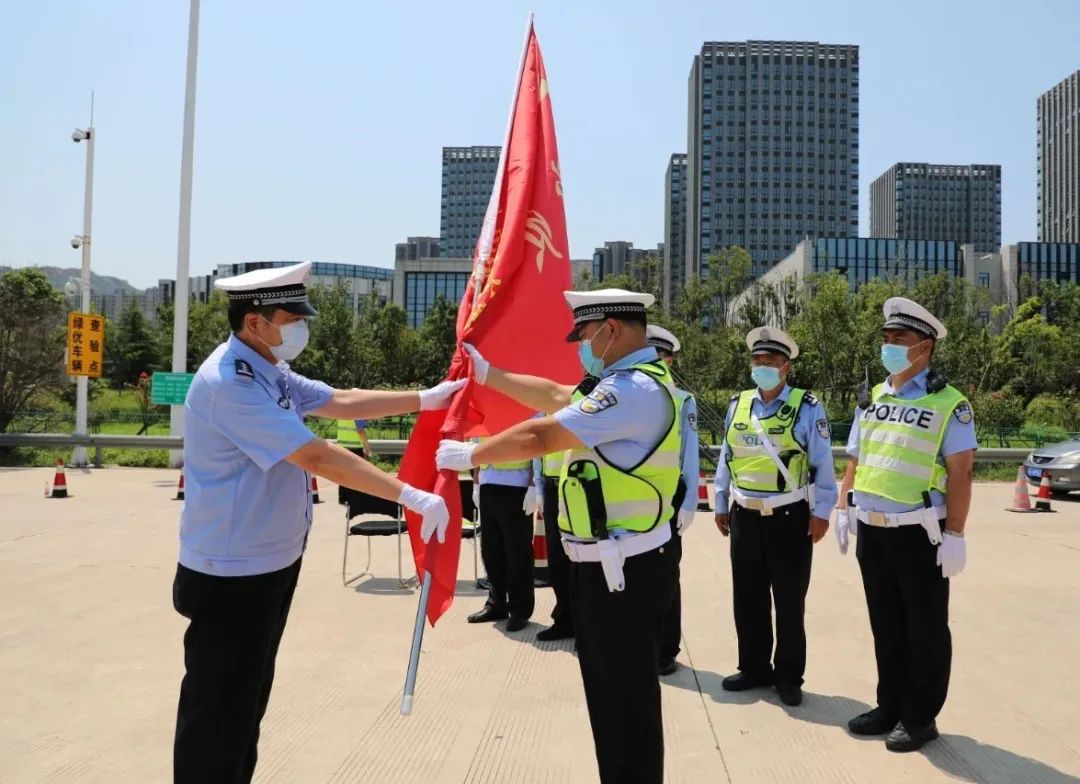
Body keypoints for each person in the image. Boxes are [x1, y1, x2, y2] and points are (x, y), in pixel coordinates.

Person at [173, 261, 461, 784]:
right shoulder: (229, 382)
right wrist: (409, 495)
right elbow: (317, 456)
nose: (299, 328)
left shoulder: (268, 369)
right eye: (290, 318)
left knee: (246, 705)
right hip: (230, 573)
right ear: (255, 322)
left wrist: (427, 398)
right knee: (217, 716)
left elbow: (339, 402)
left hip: (268, 563)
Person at [436, 289, 679, 784]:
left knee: (623, 702)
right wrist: (488, 375)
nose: (580, 347)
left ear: (611, 330)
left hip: (621, 573)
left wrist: (469, 457)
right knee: (613, 700)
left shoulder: (630, 391)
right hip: (614, 566)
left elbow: (540, 435)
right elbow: (552, 394)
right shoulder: (626, 383)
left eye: (585, 336)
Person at [838, 297, 975, 753]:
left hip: (920, 531)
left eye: (901, 339)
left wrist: (955, 533)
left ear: (926, 347)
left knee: (926, 627)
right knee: (886, 624)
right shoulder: (874, 396)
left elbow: (961, 471)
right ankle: (889, 706)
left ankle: (920, 717)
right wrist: (843, 505)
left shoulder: (950, 403)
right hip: (872, 529)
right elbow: (856, 457)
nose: (891, 346)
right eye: (887, 338)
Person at [712, 326, 837, 707]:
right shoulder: (739, 404)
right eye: (757, 361)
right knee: (747, 598)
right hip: (744, 516)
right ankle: (753, 667)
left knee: (788, 601)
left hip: (789, 517)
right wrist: (720, 502)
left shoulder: (807, 406)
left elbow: (822, 464)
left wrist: (822, 513)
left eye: (770, 362)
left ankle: (788, 675)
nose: (761, 367)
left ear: (786, 368)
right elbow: (727, 457)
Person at [646, 325, 699, 676]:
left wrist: (690, 502)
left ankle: (666, 648)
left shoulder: (682, 401)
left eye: (658, 357)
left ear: (670, 359)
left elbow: (690, 455)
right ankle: (642, 643)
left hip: (669, 498)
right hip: (637, 498)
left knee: (666, 577)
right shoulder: (630, 396)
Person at [467, 435, 539, 632]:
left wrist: (534, 484)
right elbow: (477, 448)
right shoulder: (486, 407)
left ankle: (520, 609)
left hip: (518, 483)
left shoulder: (528, 407)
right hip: (488, 482)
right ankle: (496, 604)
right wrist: (476, 482)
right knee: (491, 550)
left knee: (517, 551)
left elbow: (538, 447)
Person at [533, 442, 575, 641]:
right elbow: (538, 448)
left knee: (581, 559)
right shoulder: (544, 411)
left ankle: (585, 624)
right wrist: (539, 486)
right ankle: (564, 619)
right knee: (557, 559)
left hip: (578, 484)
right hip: (552, 486)